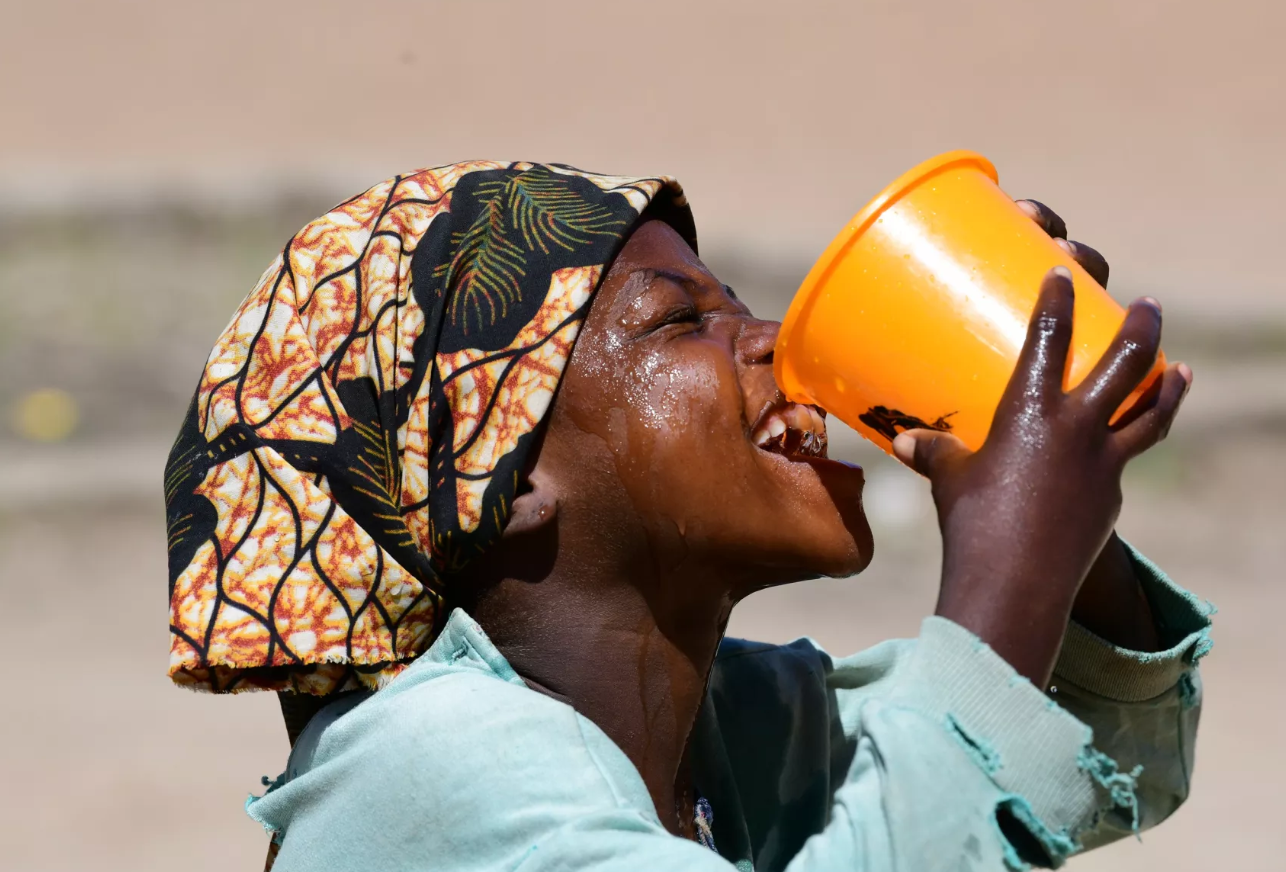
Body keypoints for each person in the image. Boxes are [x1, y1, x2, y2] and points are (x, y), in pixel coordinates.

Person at [163, 161, 1210, 871]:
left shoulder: (728, 731)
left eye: (737, 304)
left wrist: (1033, 461)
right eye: (682, 322)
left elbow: (1108, 754)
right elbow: (964, 749)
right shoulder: (433, 767)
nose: (771, 342)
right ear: (506, 476)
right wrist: (1007, 566)